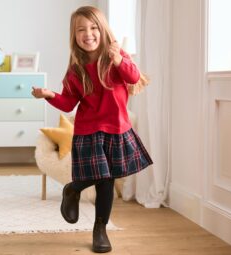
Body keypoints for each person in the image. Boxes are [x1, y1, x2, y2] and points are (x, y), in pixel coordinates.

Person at [32, 6, 153, 253]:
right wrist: (49, 95)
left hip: (117, 129)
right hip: (88, 131)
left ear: (103, 29)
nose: (88, 34)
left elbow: (133, 77)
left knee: (106, 181)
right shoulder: (76, 69)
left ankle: (99, 228)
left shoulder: (117, 56)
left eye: (93, 27)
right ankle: (74, 189)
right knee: (103, 177)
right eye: (81, 30)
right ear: (74, 35)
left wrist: (119, 58)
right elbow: (68, 102)